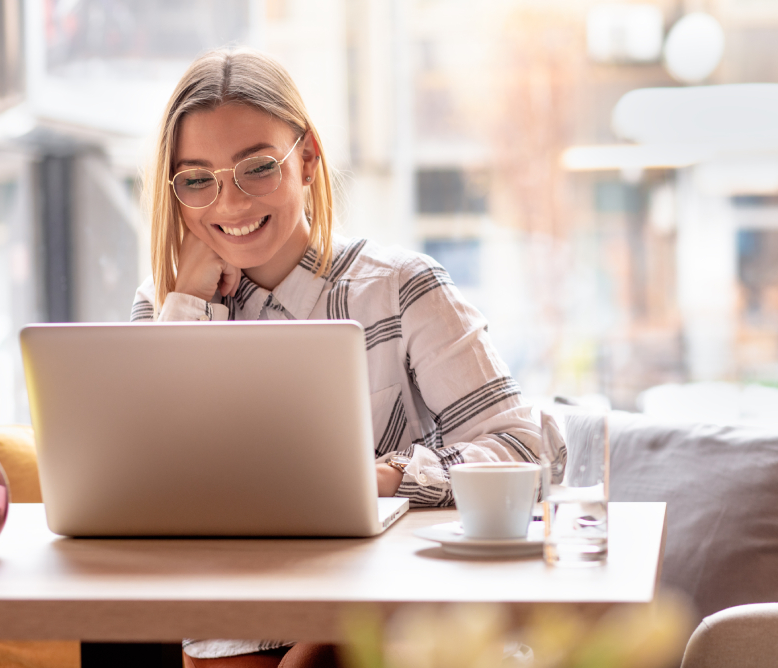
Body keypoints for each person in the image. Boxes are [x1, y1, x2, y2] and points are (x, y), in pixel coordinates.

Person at [131, 47, 541, 668]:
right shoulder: (165, 306)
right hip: (233, 625)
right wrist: (187, 302)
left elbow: (527, 449)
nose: (232, 204)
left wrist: (392, 477)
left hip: (386, 616)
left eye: (257, 168)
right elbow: (146, 490)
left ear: (308, 158)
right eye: (197, 180)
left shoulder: (399, 286)